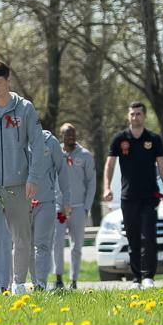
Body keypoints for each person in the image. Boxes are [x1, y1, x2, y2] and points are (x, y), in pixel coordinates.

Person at [0, 60, 45, 295]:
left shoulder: (25, 109)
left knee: (22, 238)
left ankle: (18, 283)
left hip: (19, 184)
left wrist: (33, 177)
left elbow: (38, 144)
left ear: (8, 80)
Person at [103, 102, 163, 288]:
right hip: (128, 197)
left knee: (149, 237)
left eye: (138, 114)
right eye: (132, 114)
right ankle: (136, 278)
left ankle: (149, 276)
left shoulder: (154, 139)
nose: (135, 117)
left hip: (149, 197)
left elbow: (162, 165)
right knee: (133, 239)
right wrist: (107, 188)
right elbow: (109, 164)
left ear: (144, 116)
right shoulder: (120, 139)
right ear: (128, 116)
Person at [55, 123, 95, 290]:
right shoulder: (55, 153)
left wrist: (86, 207)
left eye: (73, 134)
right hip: (59, 207)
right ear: (61, 136)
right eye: (67, 134)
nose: (71, 137)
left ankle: (74, 280)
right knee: (57, 244)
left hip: (78, 207)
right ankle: (58, 278)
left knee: (76, 246)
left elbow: (91, 182)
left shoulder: (85, 155)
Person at [31, 128, 70, 292]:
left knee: (42, 244)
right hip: (21, 201)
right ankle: (19, 283)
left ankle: (40, 284)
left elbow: (62, 171)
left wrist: (66, 199)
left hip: (46, 200)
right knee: (23, 245)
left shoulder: (50, 142)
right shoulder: (15, 138)